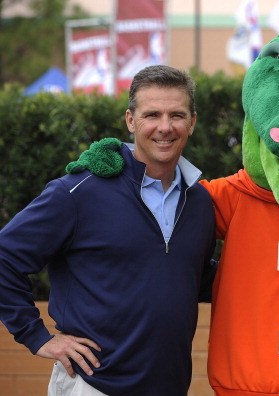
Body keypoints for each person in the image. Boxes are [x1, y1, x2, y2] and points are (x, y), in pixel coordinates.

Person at [0, 65, 216, 396]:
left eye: (176, 115)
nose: (165, 127)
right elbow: (5, 257)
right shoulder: (78, 192)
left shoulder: (199, 201)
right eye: (152, 114)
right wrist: (36, 336)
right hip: (92, 386)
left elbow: (190, 276)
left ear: (192, 122)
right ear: (130, 120)